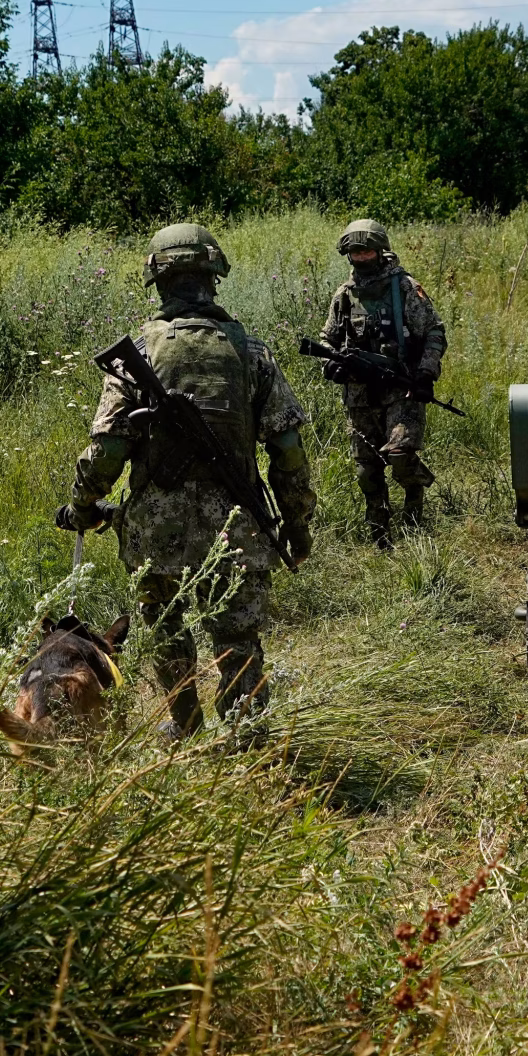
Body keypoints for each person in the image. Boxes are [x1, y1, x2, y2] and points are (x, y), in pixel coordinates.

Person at [59, 223, 317, 736]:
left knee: (164, 629)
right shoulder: (251, 352)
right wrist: (297, 522)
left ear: (157, 280)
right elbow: (287, 448)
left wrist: (83, 503)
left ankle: (184, 725)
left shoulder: (142, 352)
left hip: (156, 532)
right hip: (238, 527)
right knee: (238, 638)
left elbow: (109, 447)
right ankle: (246, 737)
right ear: (214, 277)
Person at [318, 218, 449, 547]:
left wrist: (425, 373)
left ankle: (415, 508)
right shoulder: (345, 295)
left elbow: (434, 331)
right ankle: (380, 533)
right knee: (367, 470)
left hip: (402, 390)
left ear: (380, 250)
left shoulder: (403, 287)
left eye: (366, 251)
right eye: (355, 252)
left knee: (401, 455)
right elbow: (327, 340)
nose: (361, 257)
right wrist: (330, 364)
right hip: (360, 395)